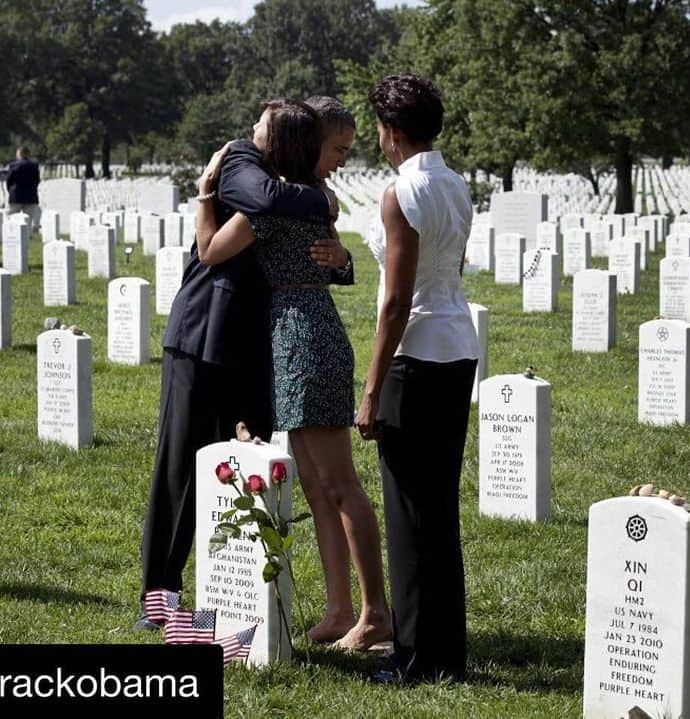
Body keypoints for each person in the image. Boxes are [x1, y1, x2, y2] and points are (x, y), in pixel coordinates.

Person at [135, 102, 353, 631]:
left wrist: (339, 253)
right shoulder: (237, 160)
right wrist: (315, 197)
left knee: (248, 466)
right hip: (204, 331)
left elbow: (315, 258)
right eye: (336, 150)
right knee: (180, 467)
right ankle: (160, 594)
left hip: (263, 342)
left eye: (262, 125)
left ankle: (235, 595)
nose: (251, 130)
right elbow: (259, 202)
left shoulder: (293, 185)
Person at [196, 98, 392, 652]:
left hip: (303, 337)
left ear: (278, 145)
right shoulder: (313, 199)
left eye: (261, 133)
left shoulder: (271, 207)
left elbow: (209, 250)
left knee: (339, 483)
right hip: (300, 332)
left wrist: (206, 194)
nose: (251, 141)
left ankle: (375, 612)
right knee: (314, 483)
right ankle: (338, 610)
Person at [356, 73, 478, 682]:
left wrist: (373, 387)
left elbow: (396, 300)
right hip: (458, 347)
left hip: (415, 353)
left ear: (394, 132)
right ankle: (445, 654)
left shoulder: (399, 192)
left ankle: (411, 657)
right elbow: (451, 269)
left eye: (379, 128)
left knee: (407, 513)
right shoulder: (458, 186)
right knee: (439, 507)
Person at [5, 146, 40, 229]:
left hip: (16, 196)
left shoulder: (13, 165)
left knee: (11, 219)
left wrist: (10, 191)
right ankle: (26, 238)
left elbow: (9, 180)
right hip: (30, 196)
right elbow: (37, 180)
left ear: (20, 154)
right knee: (28, 220)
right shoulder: (34, 166)